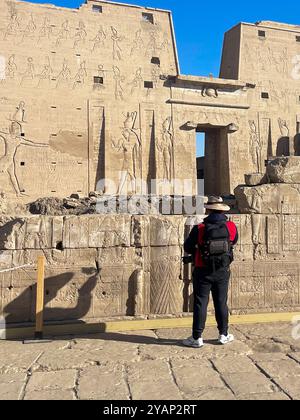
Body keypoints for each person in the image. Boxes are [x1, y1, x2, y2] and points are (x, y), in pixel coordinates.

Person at [183, 196, 238, 348]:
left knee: (201, 303)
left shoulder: (200, 228)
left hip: (202, 270)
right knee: (221, 302)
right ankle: (223, 334)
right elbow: (233, 241)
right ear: (222, 210)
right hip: (222, 270)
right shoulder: (231, 226)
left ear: (208, 210)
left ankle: (197, 337)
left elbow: (187, 247)